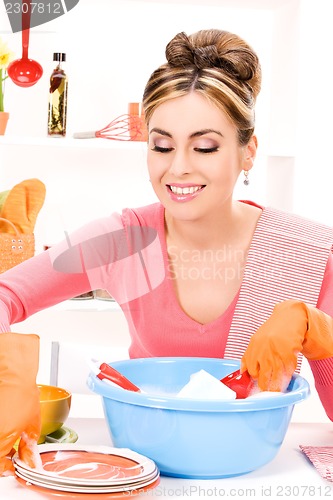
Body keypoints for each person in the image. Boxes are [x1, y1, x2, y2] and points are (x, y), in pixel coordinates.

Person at [1, 28, 333, 475]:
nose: (178, 167)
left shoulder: (307, 252)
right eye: (161, 146)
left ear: (247, 151)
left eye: (205, 147)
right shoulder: (123, 241)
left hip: (252, 471)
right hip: (147, 465)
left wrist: (318, 332)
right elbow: (9, 296)